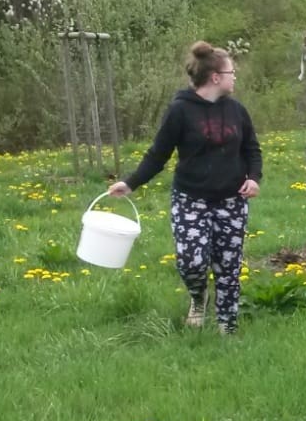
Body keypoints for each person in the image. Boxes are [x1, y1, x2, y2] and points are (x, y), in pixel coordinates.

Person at [108, 41, 262, 335]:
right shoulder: (180, 111)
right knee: (192, 262)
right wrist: (130, 182)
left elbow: (252, 149)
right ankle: (198, 297)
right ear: (215, 77)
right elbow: (158, 154)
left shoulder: (237, 111)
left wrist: (253, 178)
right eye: (231, 72)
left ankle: (227, 328)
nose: (235, 77)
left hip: (231, 201)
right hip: (191, 200)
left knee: (228, 267)